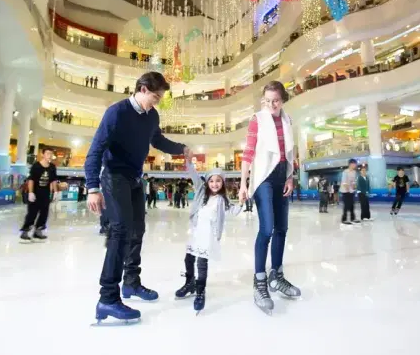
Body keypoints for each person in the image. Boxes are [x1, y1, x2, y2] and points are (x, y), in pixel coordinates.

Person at [85, 71, 192, 323]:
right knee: (120, 231)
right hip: (114, 176)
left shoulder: (151, 115)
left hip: (134, 178)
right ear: (142, 89)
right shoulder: (117, 112)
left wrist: (181, 149)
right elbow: (95, 150)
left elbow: (157, 140)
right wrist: (92, 187)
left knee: (138, 231)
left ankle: (131, 282)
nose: (157, 101)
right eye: (155, 96)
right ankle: (107, 298)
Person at [239, 81, 300, 314]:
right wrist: (244, 184)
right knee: (267, 228)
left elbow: (290, 153)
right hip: (263, 177)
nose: (272, 105)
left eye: (276, 100)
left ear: (282, 100)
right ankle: (260, 280)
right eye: (268, 101)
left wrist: (290, 177)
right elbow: (248, 152)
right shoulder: (258, 119)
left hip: (282, 176)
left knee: (282, 229)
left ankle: (277, 275)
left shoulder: (288, 120)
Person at [174, 162, 242, 313]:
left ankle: (200, 292)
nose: (215, 184)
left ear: (223, 183)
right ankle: (190, 283)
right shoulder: (201, 191)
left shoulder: (222, 199)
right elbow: (193, 174)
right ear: (207, 182)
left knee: (201, 263)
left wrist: (244, 198)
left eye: (218, 181)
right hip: (196, 233)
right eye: (211, 181)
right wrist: (188, 161)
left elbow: (234, 210)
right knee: (188, 259)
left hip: (208, 236)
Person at [19, 148, 57, 241]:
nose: (50, 155)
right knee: (32, 213)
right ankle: (25, 231)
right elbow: (31, 180)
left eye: (51, 154)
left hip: (45, 193)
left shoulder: (52, 167)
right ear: (43, 154)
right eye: (48, 153)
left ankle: (38, 231)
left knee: (44, 213)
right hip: (36, 192)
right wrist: (31, 192)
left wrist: (55, 191)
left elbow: (53, 180)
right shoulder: (36, 166)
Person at [340, 159, 359, 225]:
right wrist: (348, 190)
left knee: (352, 205)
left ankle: (353, 218)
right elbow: (344, 182)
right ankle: (344, 219)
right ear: (351, 164)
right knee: (346, 205)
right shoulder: (345, 172)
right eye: (355, 164)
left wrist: (354, 186)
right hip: (345, 191)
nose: (355, 165)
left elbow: (353, 181)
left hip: (351, 191)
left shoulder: (354, 172)